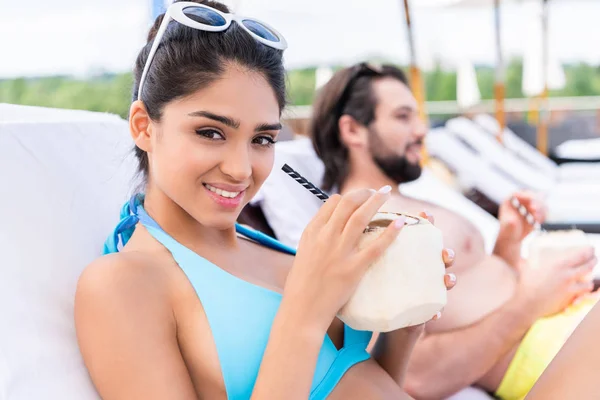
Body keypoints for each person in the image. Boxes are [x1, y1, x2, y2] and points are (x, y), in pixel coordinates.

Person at [73, 2, 454, 399]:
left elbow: (354, 382)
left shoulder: (275, 251)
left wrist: (406, 325)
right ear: (144, 128)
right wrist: (306, 311)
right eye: (211, 132)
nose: (241, 169)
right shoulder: (121, 284)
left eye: (262, 140)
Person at [309, 62, 598, 399]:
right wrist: (531, 302)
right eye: (403, 117)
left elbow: (466, 293)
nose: (421, 130)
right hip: (540, 351)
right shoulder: (365, 229)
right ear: (353, 130)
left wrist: (508, 243)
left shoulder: (406, 201)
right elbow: (410, 374)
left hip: (562, 323)